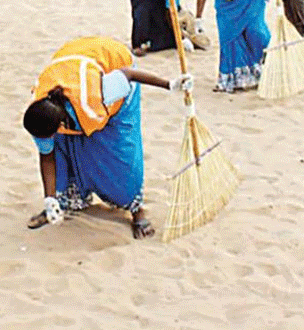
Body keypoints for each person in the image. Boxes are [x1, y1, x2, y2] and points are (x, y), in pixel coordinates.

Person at [22, 36, 193, 238]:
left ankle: (137, 211)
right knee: (63, 146)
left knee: (119, 150)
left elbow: (128, 74)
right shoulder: (40, 111)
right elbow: (47, 156)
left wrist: (170, 84)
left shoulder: (100, 95)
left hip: (114, 64)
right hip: (72, 61)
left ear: (60, 124)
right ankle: (62, 201)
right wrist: (49, 200)